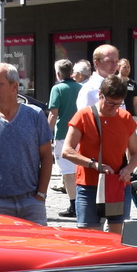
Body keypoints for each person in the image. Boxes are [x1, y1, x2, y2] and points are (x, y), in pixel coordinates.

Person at [0, 63, 54, 225]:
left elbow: (47, 157)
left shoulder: (35, 116)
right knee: (0, 250)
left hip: (31, 203)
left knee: (36, 249)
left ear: (14, 87)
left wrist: (40, 195)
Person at [62, 75, 137, 231]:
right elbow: (67, 151)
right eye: (110, 102)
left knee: (116, 240)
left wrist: (129, 169)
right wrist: (94, 165)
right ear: (100, 95)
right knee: (91, 239)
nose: (113, 108)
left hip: (116, 185)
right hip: (89, 185)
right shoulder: (84, 116)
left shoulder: (125, 118)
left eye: (118, 104)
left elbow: (135, 153)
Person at [48, 59, 82, 207]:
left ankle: (73, 205)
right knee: (80, 169)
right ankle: (82, 201)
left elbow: (53, 114)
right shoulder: (81, 87)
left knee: (68, 172)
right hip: (81, 134)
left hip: (63, 133)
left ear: (58, 73)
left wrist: (46, 134)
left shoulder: (57, 89)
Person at [76, 45, 120, 110]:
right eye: (109, 61)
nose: (115, 65)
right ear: (96, 63)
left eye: (116, 61)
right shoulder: (89, 90)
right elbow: (85, 118)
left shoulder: (117, 85)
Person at [116, 58, 137, 124]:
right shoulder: (114, 81)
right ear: (118, 68)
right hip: (117, 115)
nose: (127, 69)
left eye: (128, 67)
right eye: (124, 67)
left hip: (131, 116)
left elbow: (135, 102)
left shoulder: (133, 83)